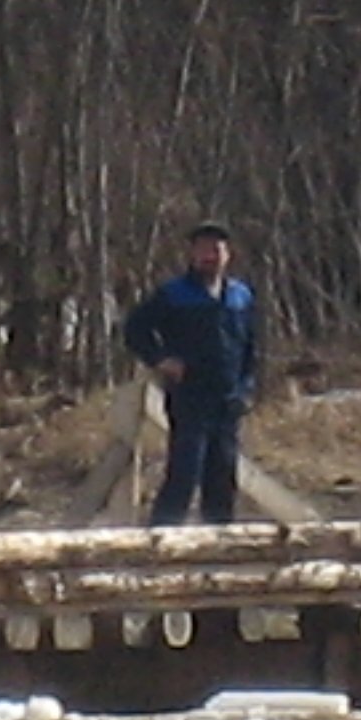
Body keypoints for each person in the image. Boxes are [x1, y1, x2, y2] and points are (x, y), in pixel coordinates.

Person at [123, 220, 260, 526]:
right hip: (189, 397)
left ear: (228, 254)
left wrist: (247, 386)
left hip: (228, 399)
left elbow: (252, 346)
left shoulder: (241, 296)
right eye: (202, 250)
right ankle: (161, 543)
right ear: (192, 255)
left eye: (216, 249)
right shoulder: (174, 294)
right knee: (185, 473)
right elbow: (134, 330)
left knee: (222, 478)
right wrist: (160, 359)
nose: (209, 256)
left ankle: (220, 547)